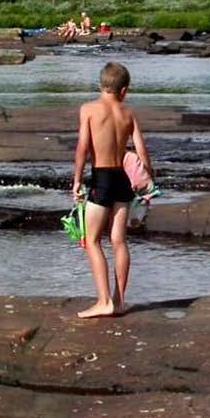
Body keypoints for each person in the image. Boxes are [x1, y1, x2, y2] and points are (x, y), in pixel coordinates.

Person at [71, 61, 152, 318]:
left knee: (92, 241)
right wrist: (147, 187)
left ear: (100, 84)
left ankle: (104, 300)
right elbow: (141, 151)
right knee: (119, 241)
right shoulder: (128, 113)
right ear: (124, 90)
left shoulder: (89, 109)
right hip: (123, 179)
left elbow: (83, 147)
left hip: (102, 177)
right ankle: (119, 301)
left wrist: (76, 180)